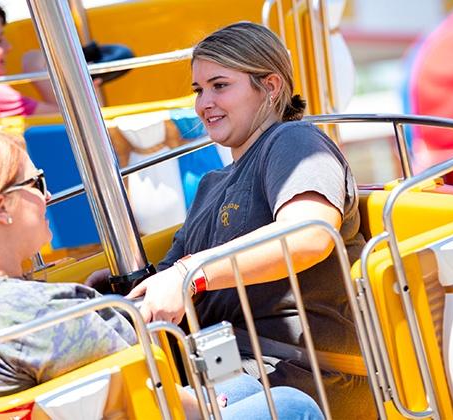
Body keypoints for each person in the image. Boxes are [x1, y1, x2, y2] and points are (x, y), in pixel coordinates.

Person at [0, 130, 321, 419]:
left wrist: (88, 301)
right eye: (35, 182)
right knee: (288, 403)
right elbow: (164, 397)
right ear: (2, 208)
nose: (47, 195)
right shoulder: (54, 317)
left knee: (246, 391)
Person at [125, 22, 374, 418]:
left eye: (220, 85)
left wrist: (193, 274)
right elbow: (169, 275)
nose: (204, 103)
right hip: (224, 367)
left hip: (297, 373)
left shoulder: (293, 142)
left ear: (271, 86)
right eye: (198, 90)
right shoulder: (212, 184)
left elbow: (309, 236)